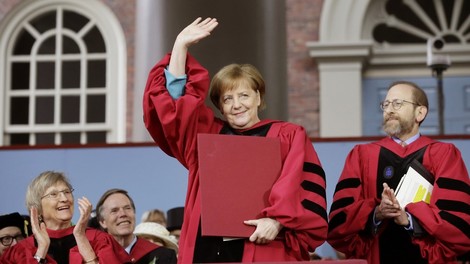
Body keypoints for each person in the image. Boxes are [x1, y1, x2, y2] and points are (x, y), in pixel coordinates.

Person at [143, 17, 328, 262]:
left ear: (259, 98)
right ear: (219, 106)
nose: (237, 105)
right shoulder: (207, 137)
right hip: (205, 248)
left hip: (262, 246)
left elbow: (301, 188)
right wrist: (180, 45)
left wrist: (277, 221)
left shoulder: (288, 136)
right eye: (227, 99)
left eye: (244, 95)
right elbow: (177, 108)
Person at [327, 81, 470, 264]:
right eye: (385, 104)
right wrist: (376, 213)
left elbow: (457, 227)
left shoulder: (444, 154)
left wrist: (409, 219)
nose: (390, 110)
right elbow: (340, 223)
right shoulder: (362, 155)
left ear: (420, 113)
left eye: (398, 103)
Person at [0, 171, 128, 263]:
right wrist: (42, 250)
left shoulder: (99, 240)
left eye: (67, 192)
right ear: (37, 207)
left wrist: (81, 238)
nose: (64, 198)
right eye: (53, 194)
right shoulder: (21, 251)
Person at [96, 188, 177, 263]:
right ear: (103, 222)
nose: (123, 214)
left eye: (127, 208)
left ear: (134, 213)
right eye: (114, 211)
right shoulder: (95, 257)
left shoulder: (164, 256)